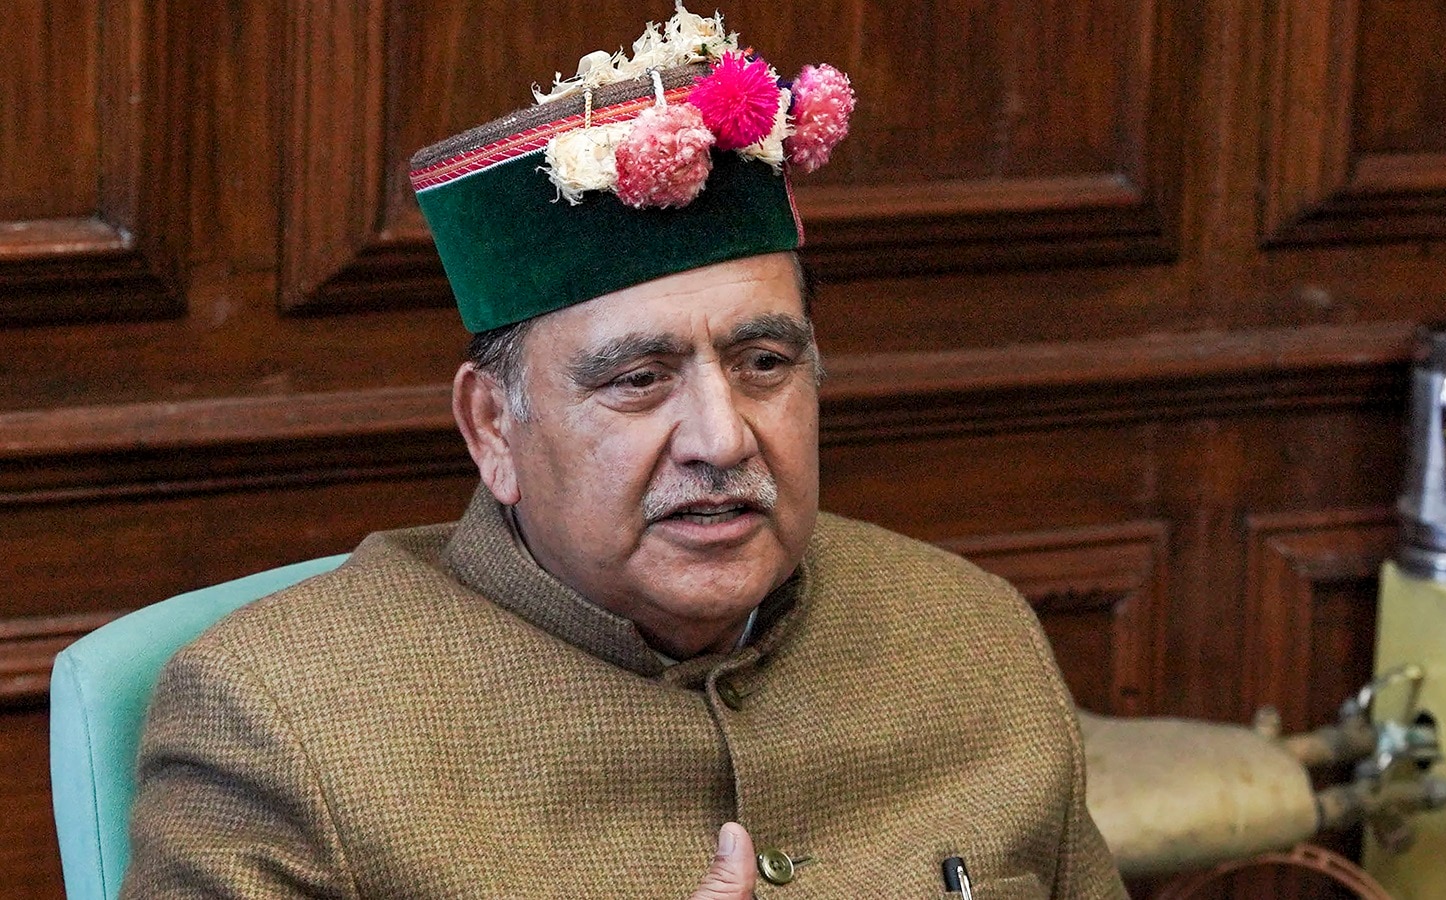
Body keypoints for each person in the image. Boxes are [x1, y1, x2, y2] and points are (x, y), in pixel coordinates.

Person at [122, 8, 1127, 899]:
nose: (721, 438)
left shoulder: (972, 636)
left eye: (764, 363)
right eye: (639, 379)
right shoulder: (282, 722)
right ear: (492, 429)